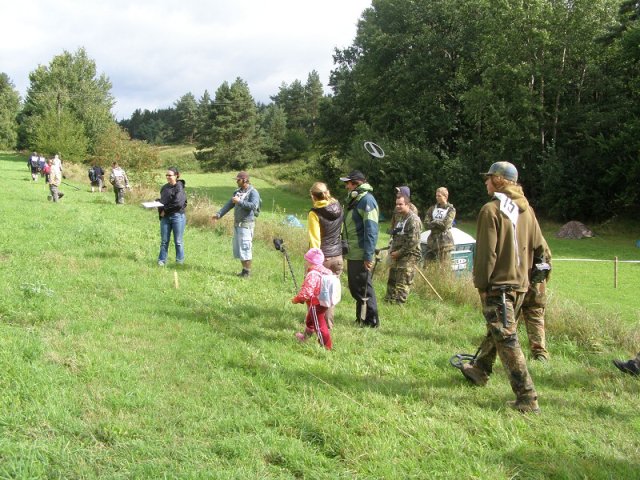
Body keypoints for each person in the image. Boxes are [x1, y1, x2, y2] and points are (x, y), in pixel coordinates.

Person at [457, 161, 547, 414]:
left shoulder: (491, 210)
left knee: (506, 338)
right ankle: (480, 369)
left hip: (499, 285)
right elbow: (541, 249)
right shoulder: (527, 210)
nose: (485, 182)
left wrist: (481, 285)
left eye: (488, 178)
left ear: (498, 180)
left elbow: (486, 254)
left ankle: (527, 397)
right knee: (498, 329)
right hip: (520, 285)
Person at [340, 170, 380, 328]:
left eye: (347, 183)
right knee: (356, 286)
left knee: (364, 287)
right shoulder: (356, 199)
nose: (346, 186)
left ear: (356, 184)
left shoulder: (367, 201)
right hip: (353, 251)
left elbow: (371, 230)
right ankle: (361, 318)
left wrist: (368, 255)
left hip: (361, 252)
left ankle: (372, 321)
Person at [307, 182, 343, 328]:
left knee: (314, 295)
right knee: (330, 295)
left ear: (313, 196)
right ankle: (328, 326)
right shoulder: (338, 207)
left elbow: (314, 239)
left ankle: (315, 327)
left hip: (323, 258)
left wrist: (314, 264)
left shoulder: (314, 213)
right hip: (338, 257)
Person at [212, 171, 261, 277]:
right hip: (237, 224)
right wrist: (219, 214)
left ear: (245, 180)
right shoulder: (237, 192)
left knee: (245, 247)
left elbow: (253, 206)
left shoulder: (253, 192)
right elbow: (229, 204)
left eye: (238, 180)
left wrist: (239, 202)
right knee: (239, 249)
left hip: (246, 225)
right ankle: (244, 270)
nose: (236, 182)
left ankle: (247, 272)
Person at [292, 248, 333, 350]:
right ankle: (305, 337)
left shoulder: (313, 274)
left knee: (320, 325)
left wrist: (297, 299)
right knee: (310, 320)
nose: (306, 262)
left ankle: (326, 346)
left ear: (310, 262)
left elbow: (307, 291)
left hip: (316, 303)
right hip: (325, 301)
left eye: (307, 260)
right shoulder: (326, 271)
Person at [385, 194, 422, 304]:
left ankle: (398, 307)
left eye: (401, 204)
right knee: (392, 280)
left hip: (409, 255)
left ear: (408, 205)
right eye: (397, 204)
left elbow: (413, 242)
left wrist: (399, 253)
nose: (398, 207)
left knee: (403, 283)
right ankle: (388, 302)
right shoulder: (400, 217)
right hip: (396, 253)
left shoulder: (413, 220)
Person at [519, 239, 552, 361]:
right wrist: (543, 282)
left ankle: (508, 352)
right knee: (536, 319)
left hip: (516, 286)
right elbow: (548, 261)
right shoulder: (539, 238)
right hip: (537, 287)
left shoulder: (513, 235)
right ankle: (540, 354)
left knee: (507, 321)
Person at [157, 167, 187, 266]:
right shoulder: (164, 187)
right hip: (165, 218)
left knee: (178, 241)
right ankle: (161, 261)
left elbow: (178, 203)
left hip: (177, 217)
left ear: (176, 175)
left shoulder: (179, 187)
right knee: (164, 241)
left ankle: (179, 262)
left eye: (170, 175)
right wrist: (157, 202)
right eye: (167, 175)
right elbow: (163, 201)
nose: (168, 177)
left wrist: (165, 210)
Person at [423, 187, 456, 266]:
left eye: (439, 196)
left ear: (445, 196)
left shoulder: (451, 209)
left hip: (445, 243)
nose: (437, 197)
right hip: (432, 242)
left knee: (443, 268)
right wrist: (437, 223)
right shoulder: (432, 208)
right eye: (436, 196)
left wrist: (434, 222)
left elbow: (445, 225)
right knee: (427, 266)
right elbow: (426, 224)